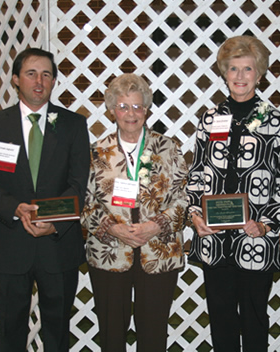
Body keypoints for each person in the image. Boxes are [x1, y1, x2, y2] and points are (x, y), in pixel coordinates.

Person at [0, 48, 90, 351]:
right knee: (10, 329)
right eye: (31, 73)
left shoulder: (73, 125)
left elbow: (78, 183)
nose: (39, 81)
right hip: (11, 245)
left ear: (54, 82)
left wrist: (54, 222)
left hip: (58, 245)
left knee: (58, 331)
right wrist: (14, 209)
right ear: (15, 80)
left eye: (47, 74)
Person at [187, 35, 280, 352]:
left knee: (255, 320)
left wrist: (266, 225)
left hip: (254, 240)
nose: (240, 77)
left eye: (247, 69)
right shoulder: (210, 119)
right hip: (215, 239)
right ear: (224, 73)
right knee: (221, 321)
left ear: (259, 75)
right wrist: (194, 215)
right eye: (233, 69)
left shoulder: (275, 121)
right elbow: (197, 172)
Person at [81, 73, 188, 352]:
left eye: (138, 106)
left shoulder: (167, 148)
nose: (131, 113)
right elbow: (83, 202)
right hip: (109, 253)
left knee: (153, 336)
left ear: (147, 109)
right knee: (111, 333)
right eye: (124, 106)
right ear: (112, 109)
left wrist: (157, 225)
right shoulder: (96, 152)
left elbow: (184, 198)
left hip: (158, 252)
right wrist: (111, 227)